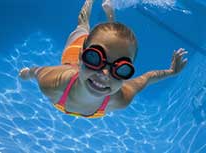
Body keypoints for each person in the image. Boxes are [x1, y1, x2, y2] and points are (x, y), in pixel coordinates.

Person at [19, 0, 188, 118]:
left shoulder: (121, 99)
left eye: (121, 69)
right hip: (72, 54)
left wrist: (172, 72)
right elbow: (37, 71)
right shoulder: (53, 83)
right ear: (82, 56)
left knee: (111, 39)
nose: (105, 74)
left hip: (88, 51)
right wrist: (27, 73)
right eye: (94, 58)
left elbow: (147, 78)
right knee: (82, 26)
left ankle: (110, 17)